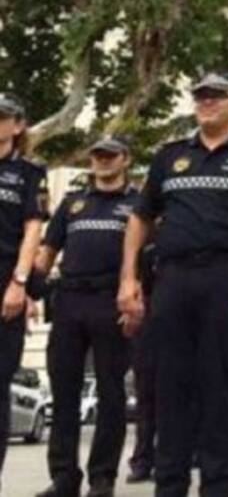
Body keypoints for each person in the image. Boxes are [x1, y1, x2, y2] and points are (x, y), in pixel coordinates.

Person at [117, 72, 228, 497]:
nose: (207, 102)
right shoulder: (170, 155)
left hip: (227, 280)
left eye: (216, 96)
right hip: (173, 279)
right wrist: (128, 280)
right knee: (170, 384)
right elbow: (141, 216)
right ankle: (170, 483)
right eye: (200, 97)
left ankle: (219, 485)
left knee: (222, 387)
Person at [34, 135, 138, 497]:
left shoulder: (139, 205)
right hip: (70, 301)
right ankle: (64, 476)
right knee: (64, 393)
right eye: (97, 155)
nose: (103, 161)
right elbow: (47, 251)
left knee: (111, 393)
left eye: (110, 155)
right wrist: (30, 285)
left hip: (112, 302)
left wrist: (137, 303)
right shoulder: (73, 203)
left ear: (125, 159)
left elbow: (146, 259)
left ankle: (102, 477)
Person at [0, 93, 48, 489]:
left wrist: (19, 284)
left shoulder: (29, 172)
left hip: (4, 288)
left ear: (17, 126)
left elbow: (33, 230)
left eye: (3, 118)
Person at [126, 238, 157, 484]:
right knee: (145, 394)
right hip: (145, 318)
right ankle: (143, 459)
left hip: (178, 318)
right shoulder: (140, 243)